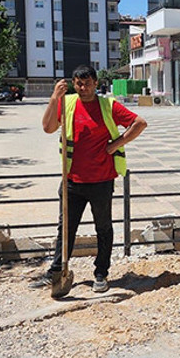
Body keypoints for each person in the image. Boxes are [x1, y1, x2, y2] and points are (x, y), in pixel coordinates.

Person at [35, 65, 147, 294]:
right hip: (72, 182)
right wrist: (54, 98)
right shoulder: (67, 104)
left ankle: (101, 273)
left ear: (96, 83)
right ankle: (57, 270)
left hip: (101, 180)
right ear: (73, 84)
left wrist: (115, 145)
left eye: (87, 83)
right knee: (66, 228)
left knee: (103, 227)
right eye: (78, 83)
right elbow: (48, 128)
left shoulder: (108, 105)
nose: (82, 88)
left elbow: (139, 123)